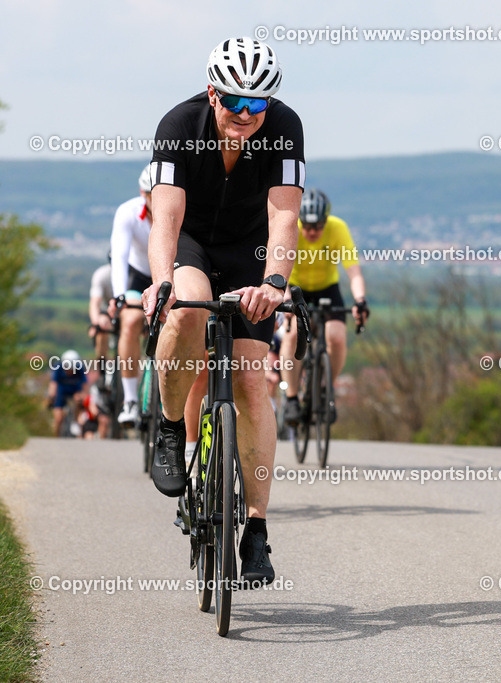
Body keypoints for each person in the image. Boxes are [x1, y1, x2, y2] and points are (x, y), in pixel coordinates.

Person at [142, 36, 305, 586]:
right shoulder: (178, 124)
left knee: (252, 380)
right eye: (234, 101)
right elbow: (165, 217)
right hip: (192, 245)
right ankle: (168, 427)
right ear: (213, 94)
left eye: (257, 105)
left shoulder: (284, 127)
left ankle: (255, 528)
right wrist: (162, 281)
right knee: (185, 314)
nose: (246, 114)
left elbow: (284, 217)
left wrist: (276, 281)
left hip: (250, 252)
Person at [280, 188, 369, 426]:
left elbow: (354, 271)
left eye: (317, 226)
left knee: (337, 337)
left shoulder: (338, 228)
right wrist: (287, 300)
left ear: (326, 221)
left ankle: (324, 388)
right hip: (296, 288)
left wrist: (360, 300)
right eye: (307, 226)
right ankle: (291, 399)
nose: (311, 232)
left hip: (327, 288)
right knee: (291, 337)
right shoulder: (291, 229)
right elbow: (280, 272)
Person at [110, 165, 155, 425]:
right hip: (138, 277)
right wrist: (119, 296)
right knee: (129, 322)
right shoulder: (128, 212)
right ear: (142, 193)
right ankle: (130, 400)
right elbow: (120, 257)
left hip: (170, 276)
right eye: (151, 195)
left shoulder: (179, 207)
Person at [48, 350, 88, 437]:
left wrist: (83, 397)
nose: (69, 370)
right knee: (58, 418)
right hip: (61, 391)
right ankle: (56, 436)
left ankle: (75, 421)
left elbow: (85, 385)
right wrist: (51, 396)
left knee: (78, 400)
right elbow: (53, 384)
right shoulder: (58, 367)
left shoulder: (80, 368)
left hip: (75, 390)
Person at [88, 259, 114, 360]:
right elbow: (95, 303)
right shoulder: (102, 275)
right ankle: (102, 361)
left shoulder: (134, 273)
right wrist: (95, 324)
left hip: (127, 308)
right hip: (106, 310)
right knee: (102, 325)